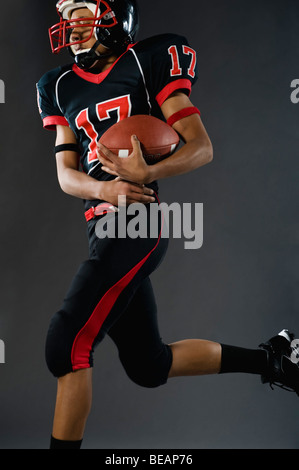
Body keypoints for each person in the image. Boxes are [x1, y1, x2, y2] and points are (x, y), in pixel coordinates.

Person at [37, 0, 299, 450]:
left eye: (82, 15)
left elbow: (201, 147)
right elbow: (65, 175)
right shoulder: (58, 85)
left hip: (138, 220)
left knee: (66, 345)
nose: (72, 28)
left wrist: (145, 174)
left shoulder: (149, 59)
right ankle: (274, 360)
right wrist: (104, 190)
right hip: (100, 227)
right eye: (67, 19)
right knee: (148, 366)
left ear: (114, 16)